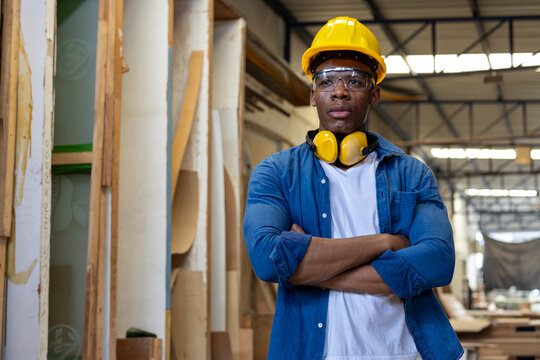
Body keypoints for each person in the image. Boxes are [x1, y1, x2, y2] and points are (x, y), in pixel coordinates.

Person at [243, 16, 464, 360]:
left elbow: (437, 262)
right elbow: (268, 262)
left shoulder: (411, 174)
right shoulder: (276, 173)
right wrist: (385, 243)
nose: (340, 90)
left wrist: (309, 271)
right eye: (326, 80)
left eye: (355, 80)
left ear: (374, 94)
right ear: (313, 95)